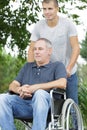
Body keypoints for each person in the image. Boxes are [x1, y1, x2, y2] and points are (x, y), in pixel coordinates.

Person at [0, 38, 67, 130]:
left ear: (49, 51)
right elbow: (12, 85)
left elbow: (62, 83)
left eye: (40, 49)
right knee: (2, 98)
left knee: (39, 93)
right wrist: (19, 89)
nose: (36, 52)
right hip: (25, 106)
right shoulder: (27, 67)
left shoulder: (57, 66)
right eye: (35, 49)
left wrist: (36, 87)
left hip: (48, 106)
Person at [28, 0, 80, 104]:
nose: (47, 12)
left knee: (73, 103)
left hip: (68, 71)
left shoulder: (67, 24)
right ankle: (54, 120)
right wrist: (30, 71)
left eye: (50, 9)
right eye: (44, 9)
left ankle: (76, 120)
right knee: (52, 105)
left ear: (57, 9)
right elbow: (31, 50)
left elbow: (76, 48)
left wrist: (69, 68)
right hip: (50, 73)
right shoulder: (39, 26)